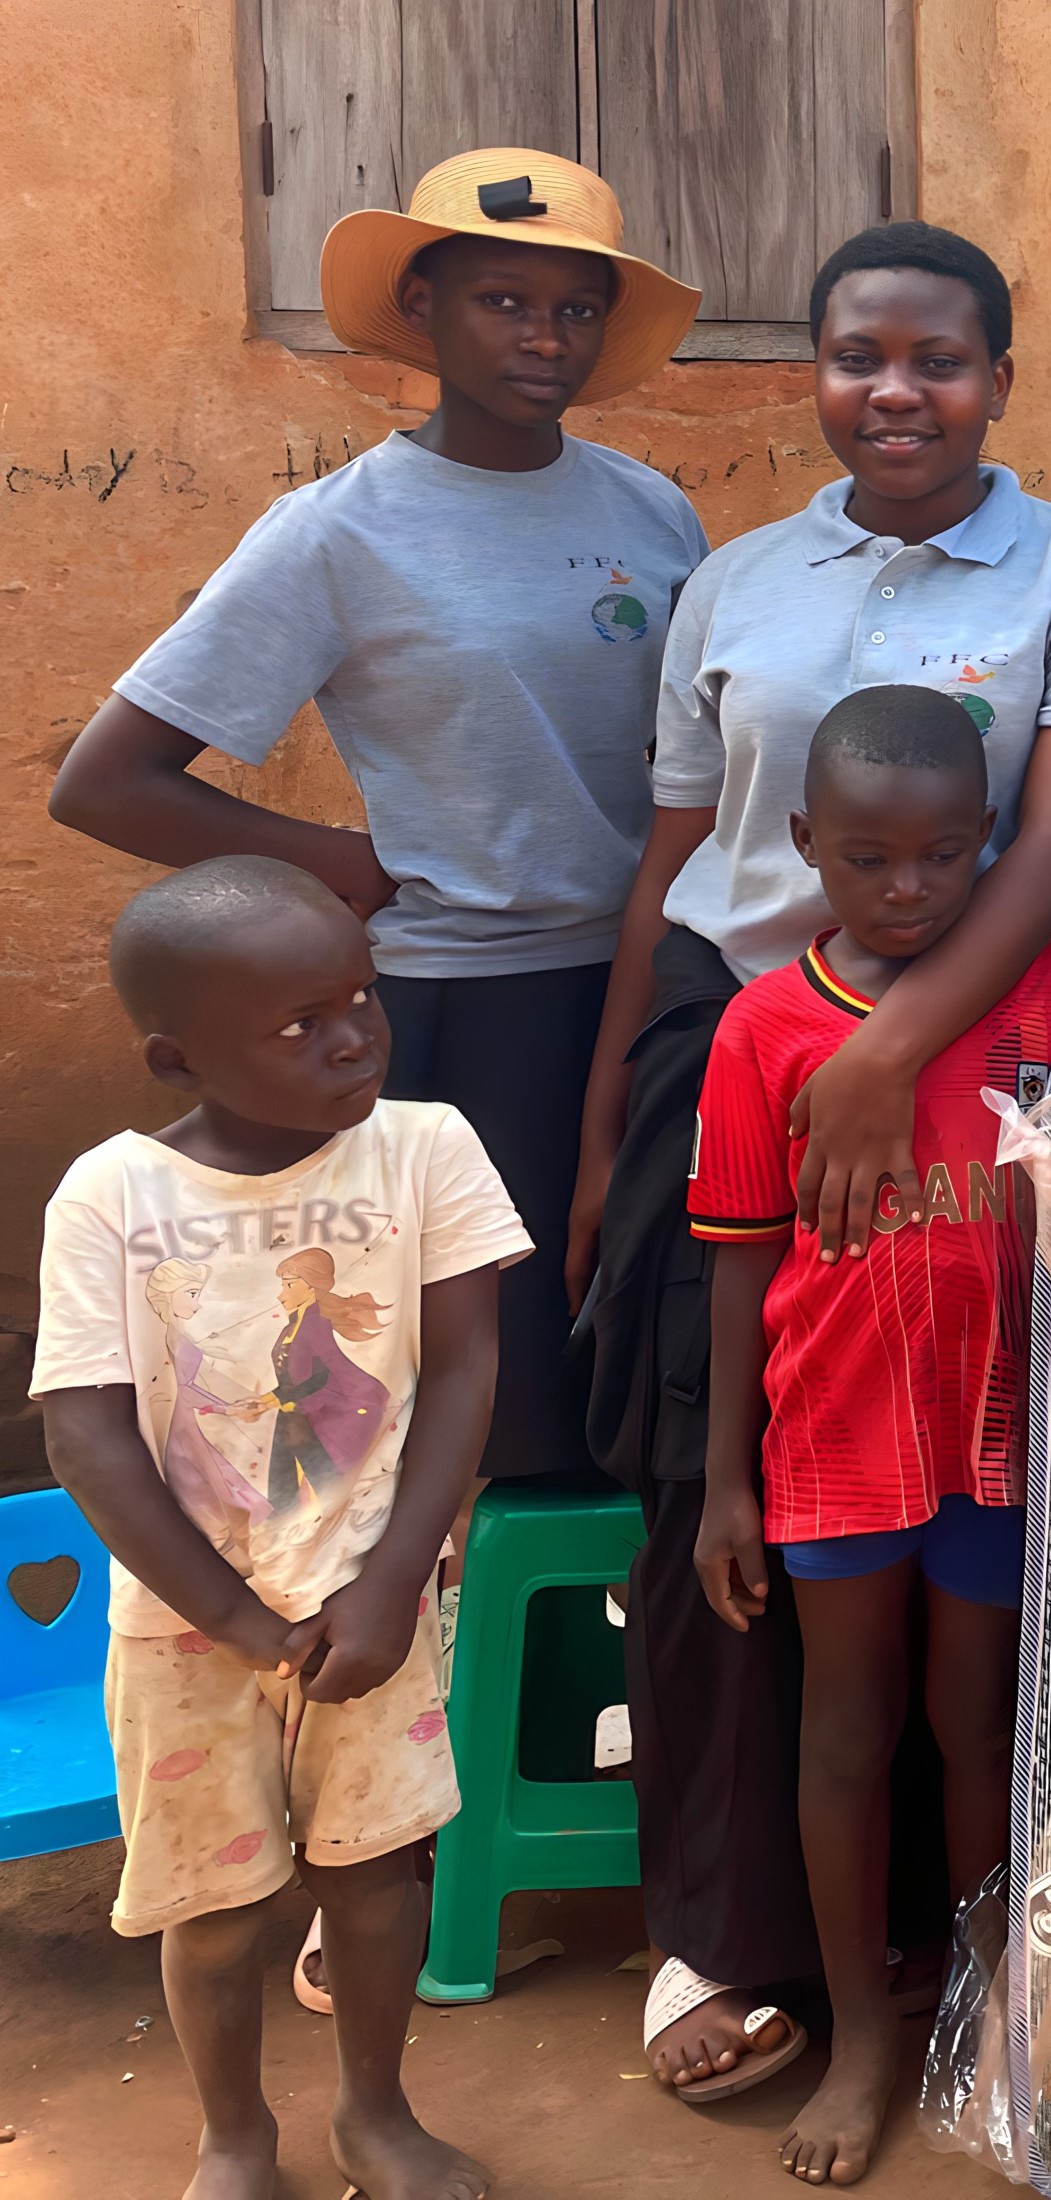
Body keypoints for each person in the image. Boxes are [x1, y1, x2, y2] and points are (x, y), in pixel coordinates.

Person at [569, 219, 1051, 2109]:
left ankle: (968, 1960)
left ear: (1001, 375)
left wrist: (892, 1053)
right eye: (855, 355)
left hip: (963, 1065)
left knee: (990, 1529)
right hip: (744, 1046)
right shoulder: (734, 578)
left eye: (936, 357)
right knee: (722, 1498)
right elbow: (676, 865)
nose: (892, 391)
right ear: (813, 370)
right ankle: (737, 1938)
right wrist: (608, 1125)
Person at [50, 149, 704, 1507]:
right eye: (501, 300)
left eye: (575, 309)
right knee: (507, 1396)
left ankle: (646, 1683)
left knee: (653, 1376)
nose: (542, 336)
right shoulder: (336, 533)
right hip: (471, 1010)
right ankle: (476, 1699)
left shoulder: (650, 509)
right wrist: (347, 868)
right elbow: (107, 780)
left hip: (659, 986)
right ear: (422, 310)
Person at [35, 857, 532, 2200]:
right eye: (297, 1022)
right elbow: (82, 1430)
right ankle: (234, 2135)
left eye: (360, 997)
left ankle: (375, 2114)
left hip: (373, 1606)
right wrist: (244, 1621)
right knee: (214, 1908)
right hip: (186, 1629)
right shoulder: (110, 1197)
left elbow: (466, 1368)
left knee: (377, 1883)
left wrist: (381, 1592)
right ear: (174, 1055)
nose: (352, 1034)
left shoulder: (424, 1148)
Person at [688, 689, 1051, 2186]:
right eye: (868, 859)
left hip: (994, 1445)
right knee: (845, 1734)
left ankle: (989, 2008)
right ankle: (863, 2034)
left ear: (986, 842)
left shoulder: (1044, 994)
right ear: (804, 844)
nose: (909, 889)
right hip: (836, 1441)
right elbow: (736, 1254)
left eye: (940, 857)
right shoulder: (766, 1024)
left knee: (976, 1732)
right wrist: (727, 1480)